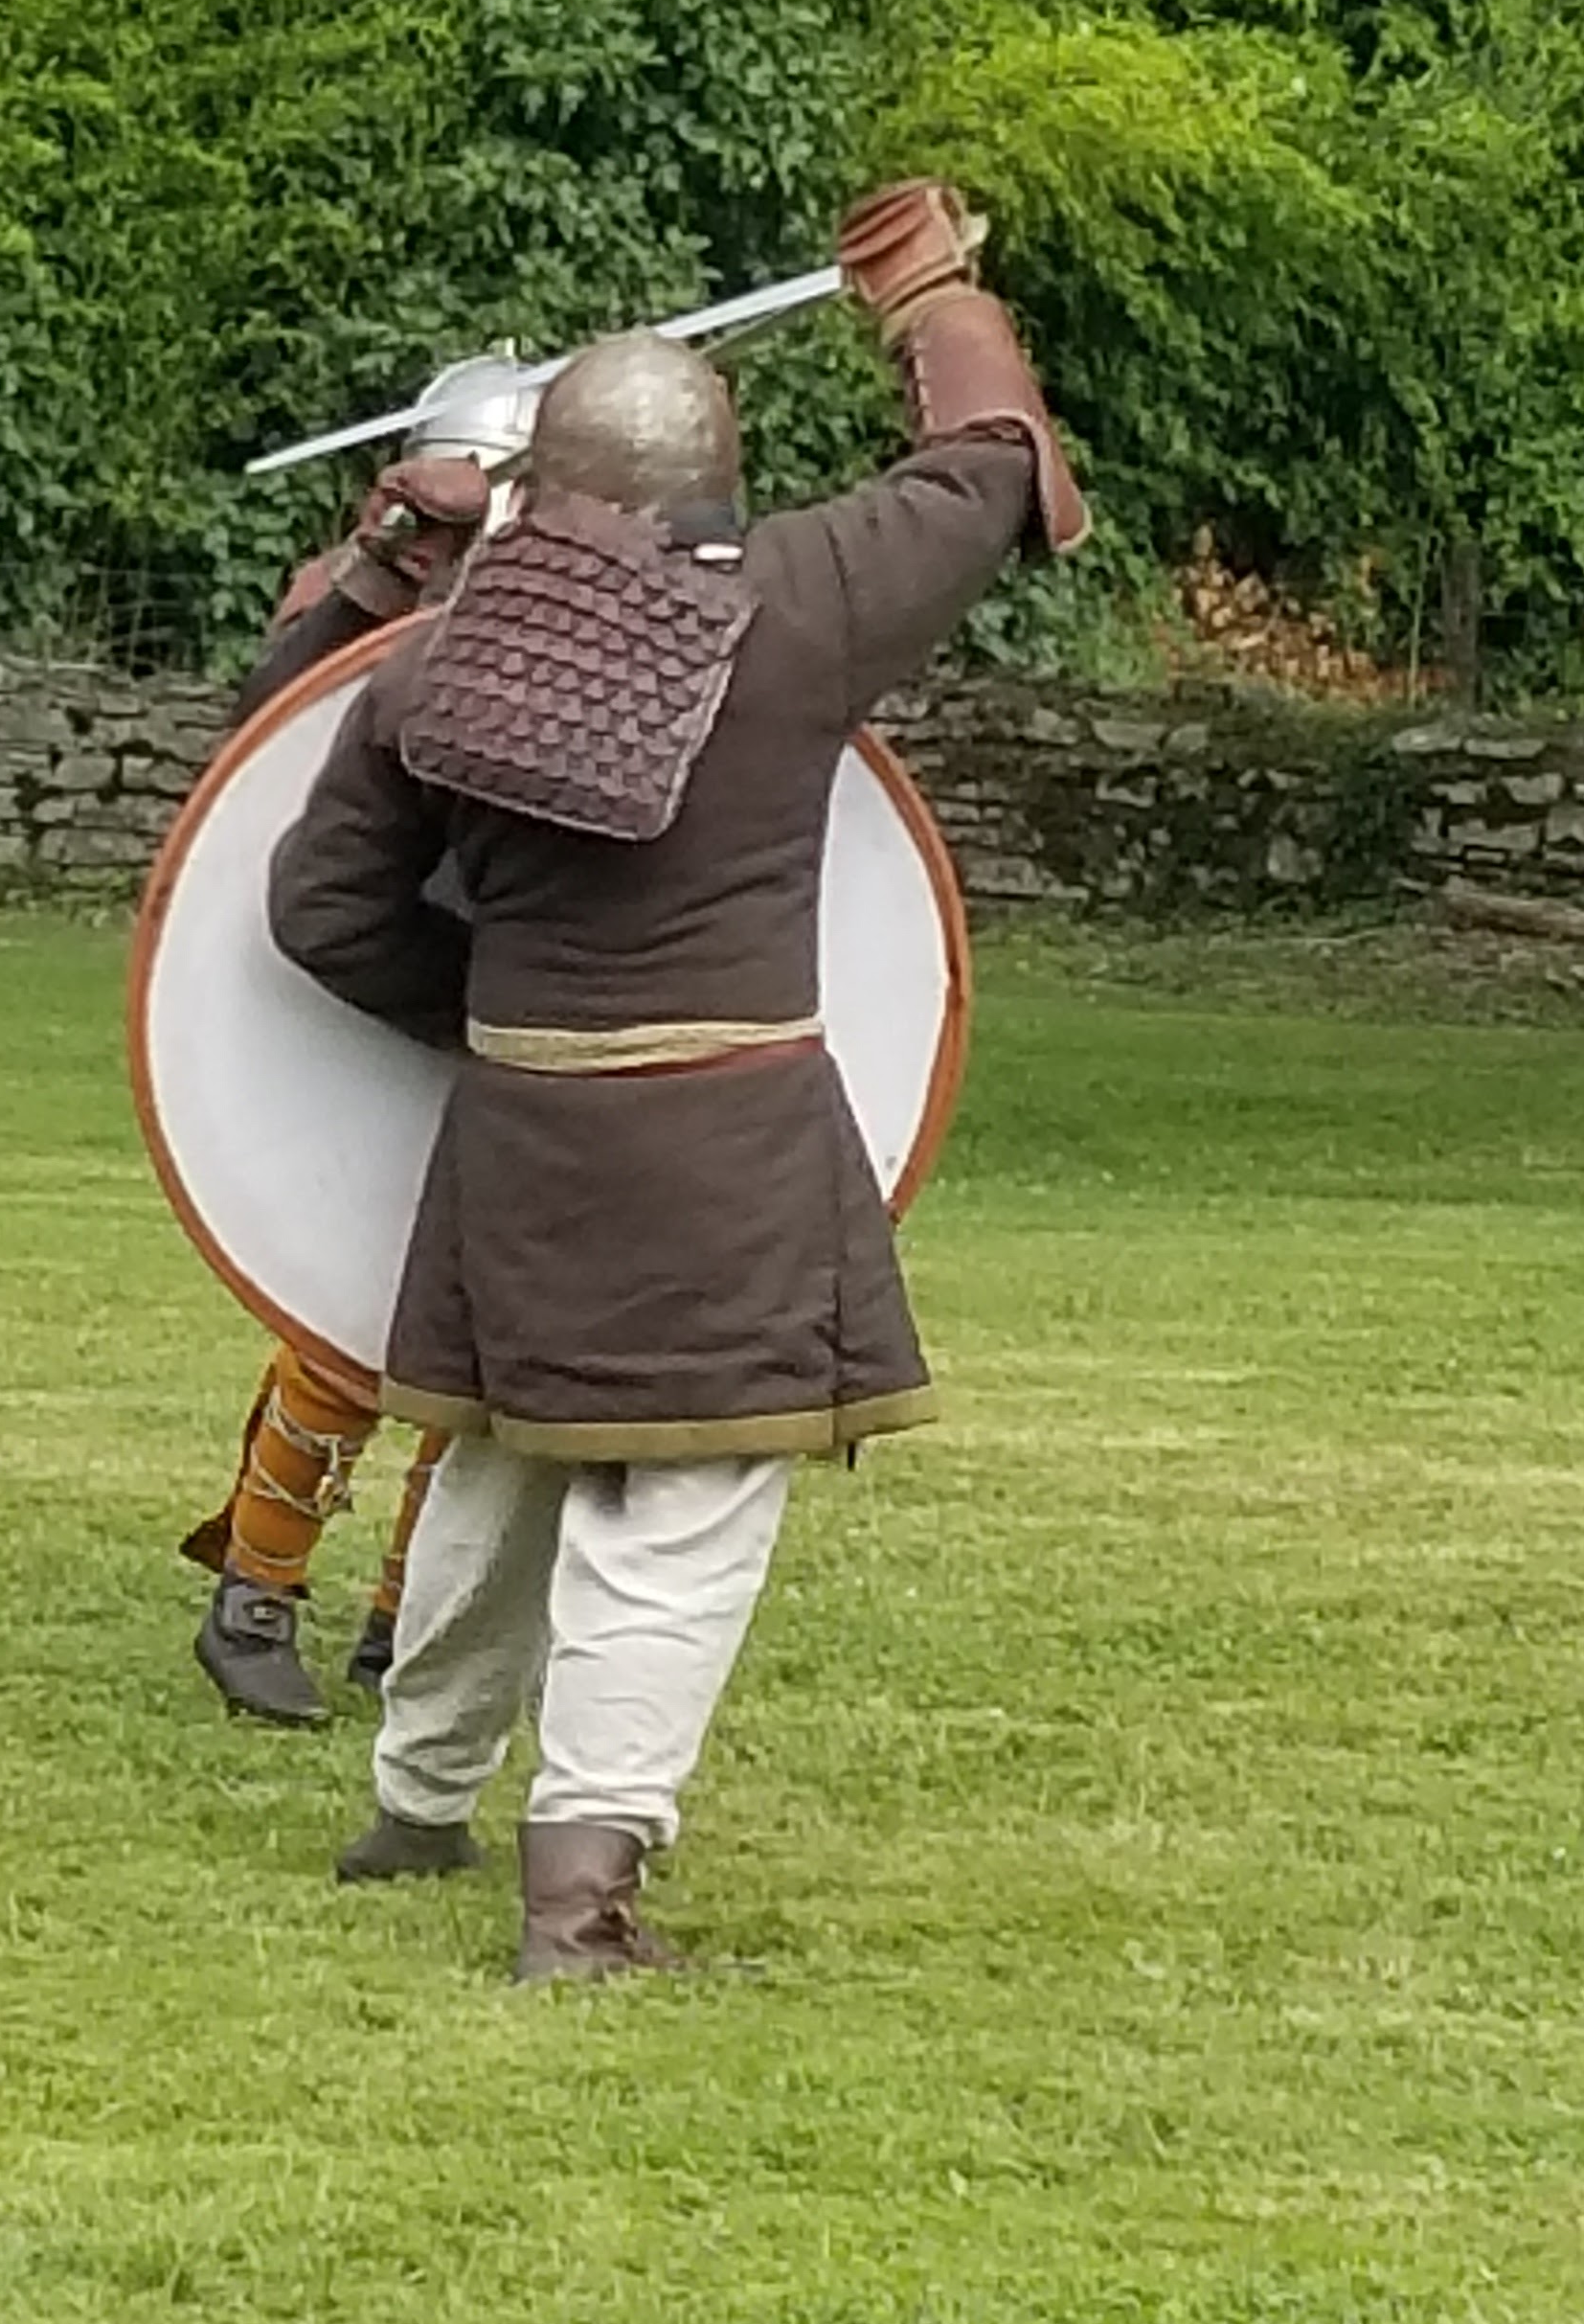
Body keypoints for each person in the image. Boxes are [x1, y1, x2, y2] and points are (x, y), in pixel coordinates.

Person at [269, 182, 1085, 1977]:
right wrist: (933, 301)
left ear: (538, 486)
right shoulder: (800, 603)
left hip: (514, 1138)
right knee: (678, 1512)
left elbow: (317, 908)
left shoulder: (436, 663)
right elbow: (988, 469)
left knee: (496, 1468)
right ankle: (575, 1906)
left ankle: (414, 1806)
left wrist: (501, 1015)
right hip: (723, 1148)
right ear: (716, 479)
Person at [185, 358, 532, 1729]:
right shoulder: (360, 602)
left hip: (514, 992)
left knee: (473, 1343)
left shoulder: (575, 619)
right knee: (346, 1318)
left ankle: (408, 1617)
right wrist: (379, 578)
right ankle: (254, 1597)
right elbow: (264, 738)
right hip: (368, 986)